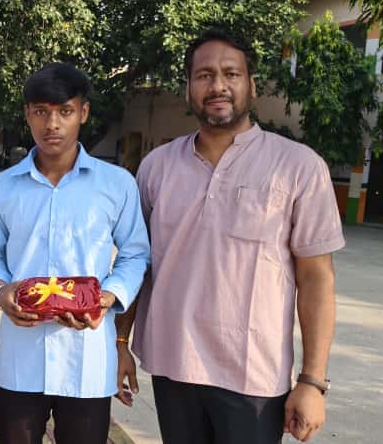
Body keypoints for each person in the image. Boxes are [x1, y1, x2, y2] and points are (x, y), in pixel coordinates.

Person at [115, 29, 345, 444]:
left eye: (231, 74)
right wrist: (118, 341)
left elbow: (316, 279)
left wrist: (313, 381)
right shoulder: (157, 167)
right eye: (204, 75)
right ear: (188, 88)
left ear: (251, 85)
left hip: (254, 376)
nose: (217, 85)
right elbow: (137, 264)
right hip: (172, 366)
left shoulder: (298, 167)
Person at [0, 63, 151, 444]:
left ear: (83, 112)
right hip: (21, 357)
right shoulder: (3, 187)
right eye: (41, 112)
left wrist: (108, 297)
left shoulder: (116, 185)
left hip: (86, 356)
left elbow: (135, 254)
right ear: (27, 114)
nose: (52, 124)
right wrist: (0, 291)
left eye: (65, 111)